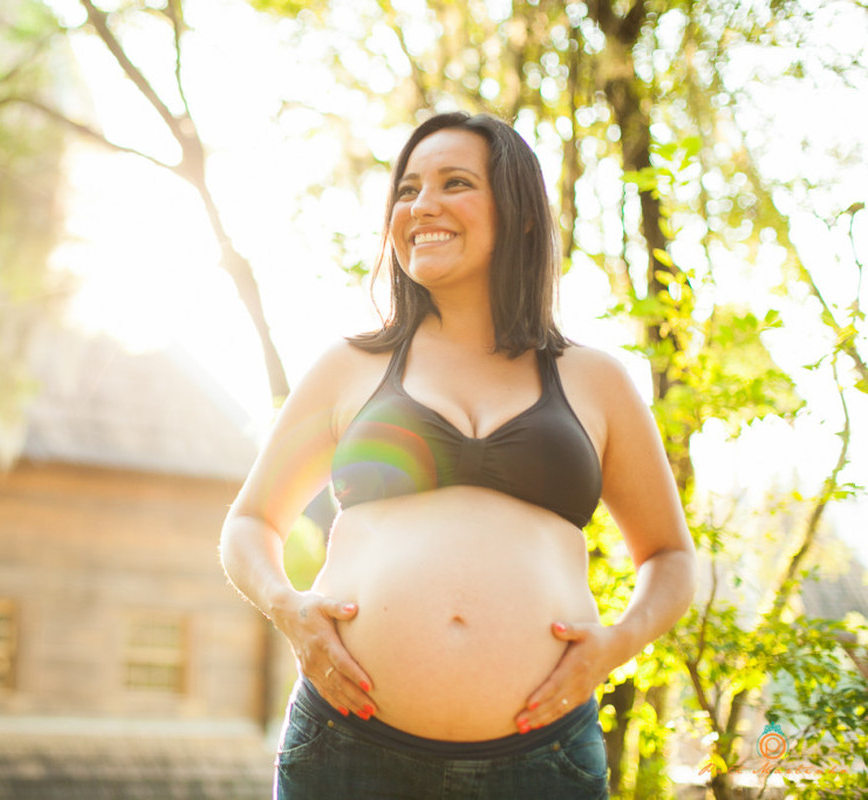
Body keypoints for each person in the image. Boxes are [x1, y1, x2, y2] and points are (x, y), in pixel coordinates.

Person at [219, 111, 697, 799]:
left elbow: (671, 558)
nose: (423, 206)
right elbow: (249, 523)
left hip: (543, 763)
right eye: (407, 190)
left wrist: (614, 646)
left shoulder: (595, 380)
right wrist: (288, 608)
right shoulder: (350, 367)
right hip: (347, 751)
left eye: (455, 183)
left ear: (520, 213)